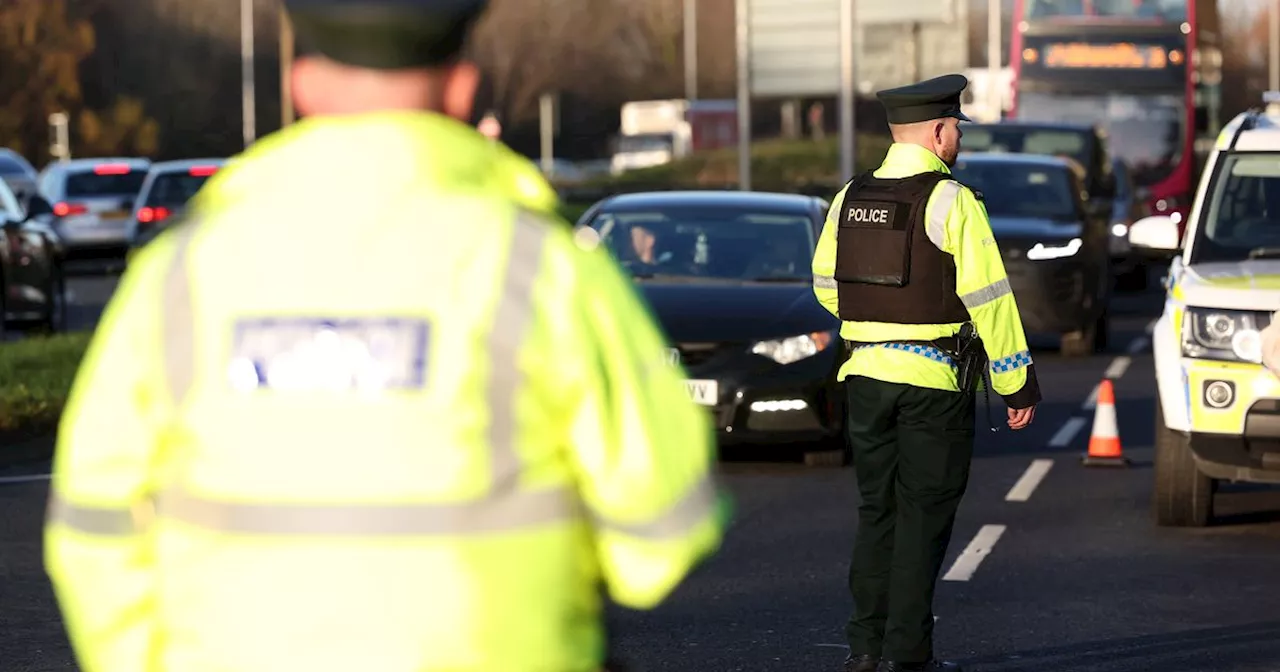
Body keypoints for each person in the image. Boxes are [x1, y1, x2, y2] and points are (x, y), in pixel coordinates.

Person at [42, 1, 729, 670]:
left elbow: (92, 527)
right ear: (462, 87)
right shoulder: (540, 268)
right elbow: (664, 538)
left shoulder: (180, 272)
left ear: (299, 85)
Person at [811, 74, 1041, 672]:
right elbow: (990, 299)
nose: (958, 137)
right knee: (923, 518)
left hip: (863, 379)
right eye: (957, 128)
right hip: (934, 387)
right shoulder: (952, 201)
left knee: (876, 513)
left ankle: (863, 649)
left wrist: (873, 327)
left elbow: (825, 286)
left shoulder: (848, 197)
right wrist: (1016, 381)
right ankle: (909, 655)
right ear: (939, 132)